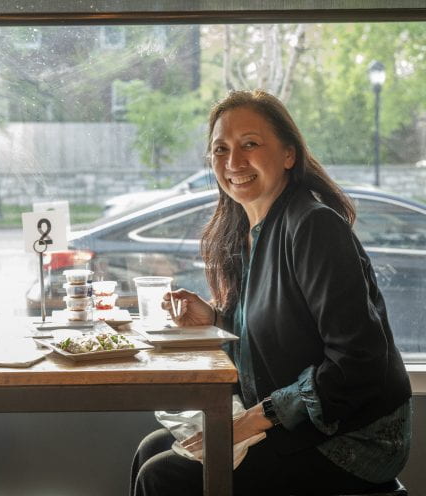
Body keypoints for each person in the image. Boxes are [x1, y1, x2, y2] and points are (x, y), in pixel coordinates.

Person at [131, 89, 412, 495]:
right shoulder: (249, 231)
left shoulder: (314, 226)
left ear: (288, 155)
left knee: (162, 476)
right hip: (297, 420)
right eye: (220, 149)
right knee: (150, 450)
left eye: (250, 144)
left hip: (353, 437)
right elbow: (284, 332)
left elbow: (359, 360)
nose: (233, 162)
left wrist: (253, 419)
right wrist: (215, 319)